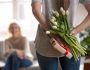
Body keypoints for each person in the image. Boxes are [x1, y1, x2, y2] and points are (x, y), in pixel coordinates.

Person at [31, 0, 90, 70]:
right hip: (71, 42)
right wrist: (76, 30)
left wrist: (52, 33)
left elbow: (35, 9)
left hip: (47, 40)